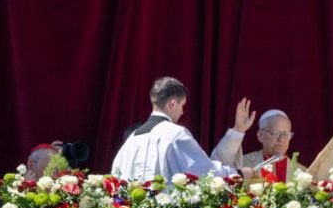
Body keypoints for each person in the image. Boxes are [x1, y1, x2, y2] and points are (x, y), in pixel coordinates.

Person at [111, 77, 253, 181]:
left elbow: (116, 177)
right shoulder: (175, 134)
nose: (182, 112)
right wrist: (238, 174)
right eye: (182, 105)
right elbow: (204, 173)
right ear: (172, 104)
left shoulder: (132, 138)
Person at [211, 105, 305, 181]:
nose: (281, 139)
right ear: (260, 136)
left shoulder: (303, 174)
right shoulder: (243, 163)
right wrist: (238, 130)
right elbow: (217, 167)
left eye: (286, 134)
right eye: (276, 133)